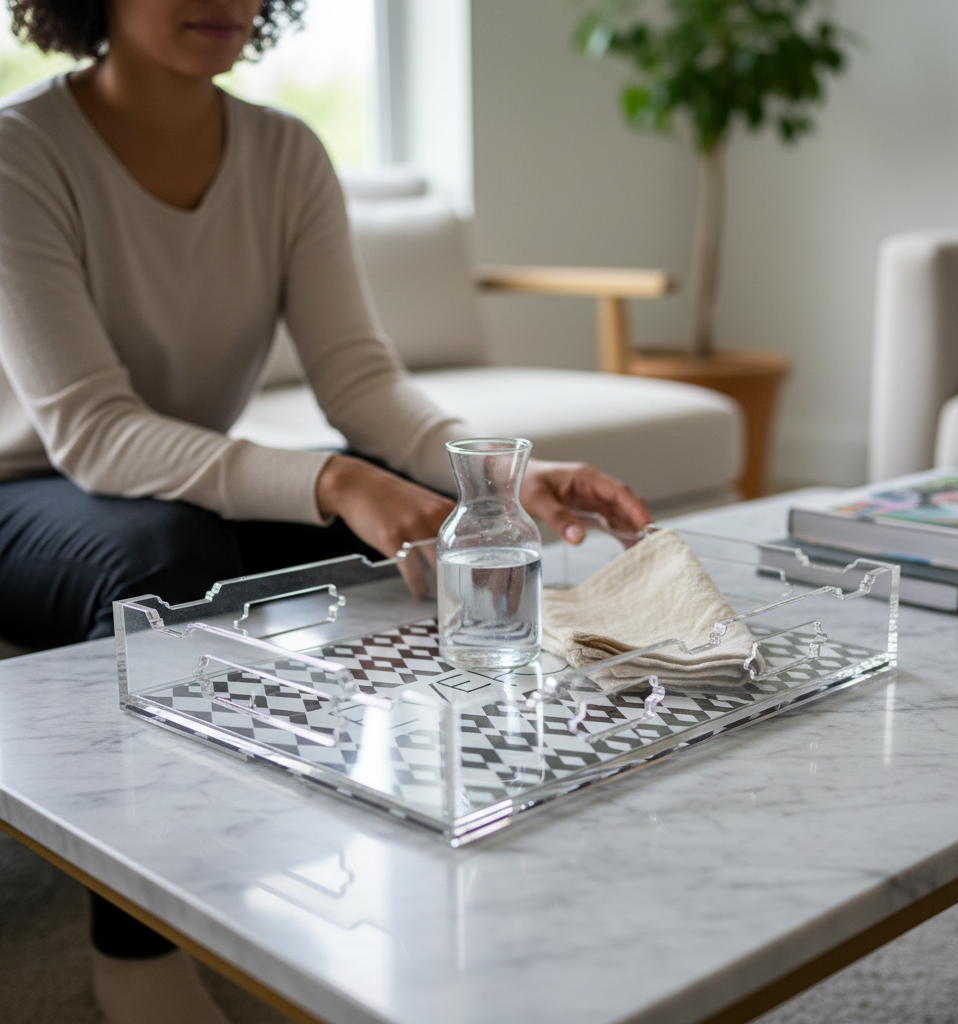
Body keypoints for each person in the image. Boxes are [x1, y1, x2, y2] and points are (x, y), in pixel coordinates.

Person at [0, 1, 653, 1021]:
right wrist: (336, 482)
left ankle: (400, 818)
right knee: (184, 550)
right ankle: (134, 950)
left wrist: (492, 481)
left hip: (175, 474)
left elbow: (358, 379)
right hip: (22, 487)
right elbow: (92, 431)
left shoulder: (284, 153)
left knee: (391, 518)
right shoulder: (20, 152)